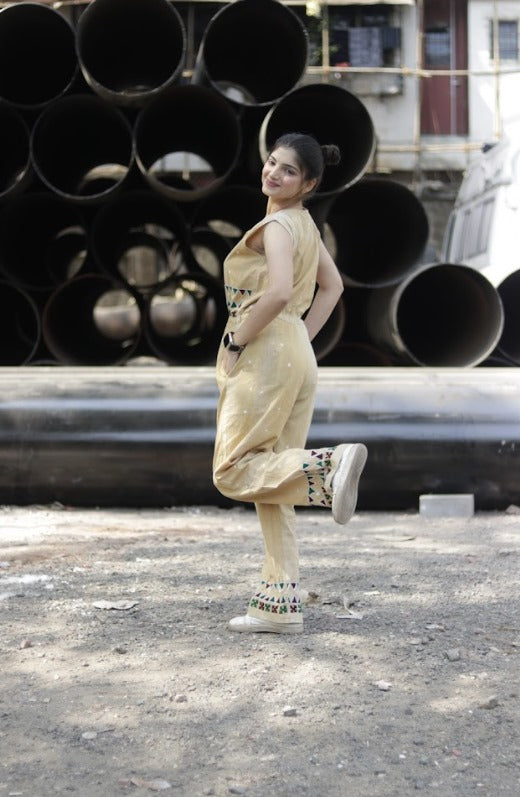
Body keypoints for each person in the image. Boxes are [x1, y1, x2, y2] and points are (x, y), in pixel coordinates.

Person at [213, 132, 367, 635]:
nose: (274, 173)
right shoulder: (305, 225)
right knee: (272, 481)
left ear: (309, 183)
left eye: (288, 170)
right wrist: (298, 337)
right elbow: (333, 286)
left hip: (265, 350)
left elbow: (278, 292)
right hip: (295, 350)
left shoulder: (278, 225)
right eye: (272, 162)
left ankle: (329, 466)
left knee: (233, 469)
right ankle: (278, 606)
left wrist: (237, 341)